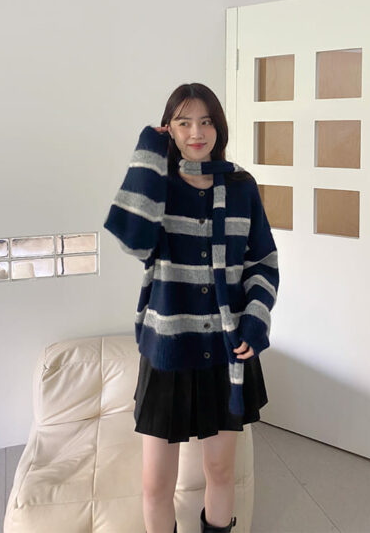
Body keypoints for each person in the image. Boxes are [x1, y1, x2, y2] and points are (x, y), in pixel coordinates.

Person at [103, 83, 280, 533]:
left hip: (226, 351)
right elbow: (132, 240)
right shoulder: (157, 184)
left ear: (219, 126)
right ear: (169, 129)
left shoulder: (241, 186)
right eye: (183, 122)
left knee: (220, 472)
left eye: (205, 121)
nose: (196, 132)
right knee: (155, 485)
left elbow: (262, 261)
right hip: (168, 350)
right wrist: (148, 150)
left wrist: (255, 320)